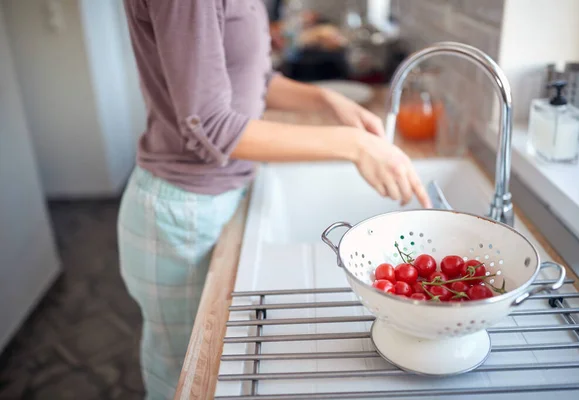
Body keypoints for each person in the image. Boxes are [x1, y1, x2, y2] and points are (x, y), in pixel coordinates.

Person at [118, 1, 431, 399]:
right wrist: (352, 145)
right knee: (185, 379)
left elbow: (250, 80)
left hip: (218, 197)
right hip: (185, 213)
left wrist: (326, 101)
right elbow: (211, 125)